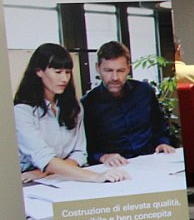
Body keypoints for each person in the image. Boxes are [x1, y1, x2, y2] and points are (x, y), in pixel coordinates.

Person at [15, 43, 129, 184]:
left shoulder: (74, 107)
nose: (64, 79)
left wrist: (43, 172)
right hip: (29, 182)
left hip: (61, 178)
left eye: (68, 72)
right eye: (58, 72)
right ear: (39, 71)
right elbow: (44, 158)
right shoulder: (22, 112)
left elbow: (80, 153)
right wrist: (96, 177)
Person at [82, 41, 176, 166]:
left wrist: (162, 142)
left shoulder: (145, 91)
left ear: (128, 69)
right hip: (115, 167)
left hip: (151, 160)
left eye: (121, 70)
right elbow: (87, 147)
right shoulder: (88, 104)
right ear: (97, 68)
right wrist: (103, 157)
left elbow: (159, 126)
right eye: (108, 70)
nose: (115, 77)